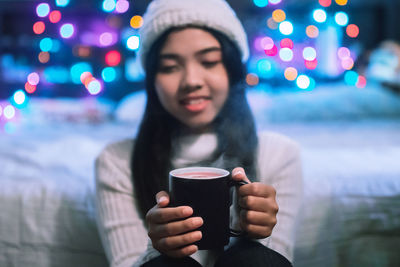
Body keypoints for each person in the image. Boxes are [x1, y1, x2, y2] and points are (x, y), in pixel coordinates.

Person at [95, 0, 303, 266]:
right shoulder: (117, 161)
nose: (191, 80)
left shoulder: (278, 153)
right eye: (170, 67)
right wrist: (157, 247)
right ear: (152, 80)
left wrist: (255, 233)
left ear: (231, 70)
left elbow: (278, 259)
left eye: (209, 61)